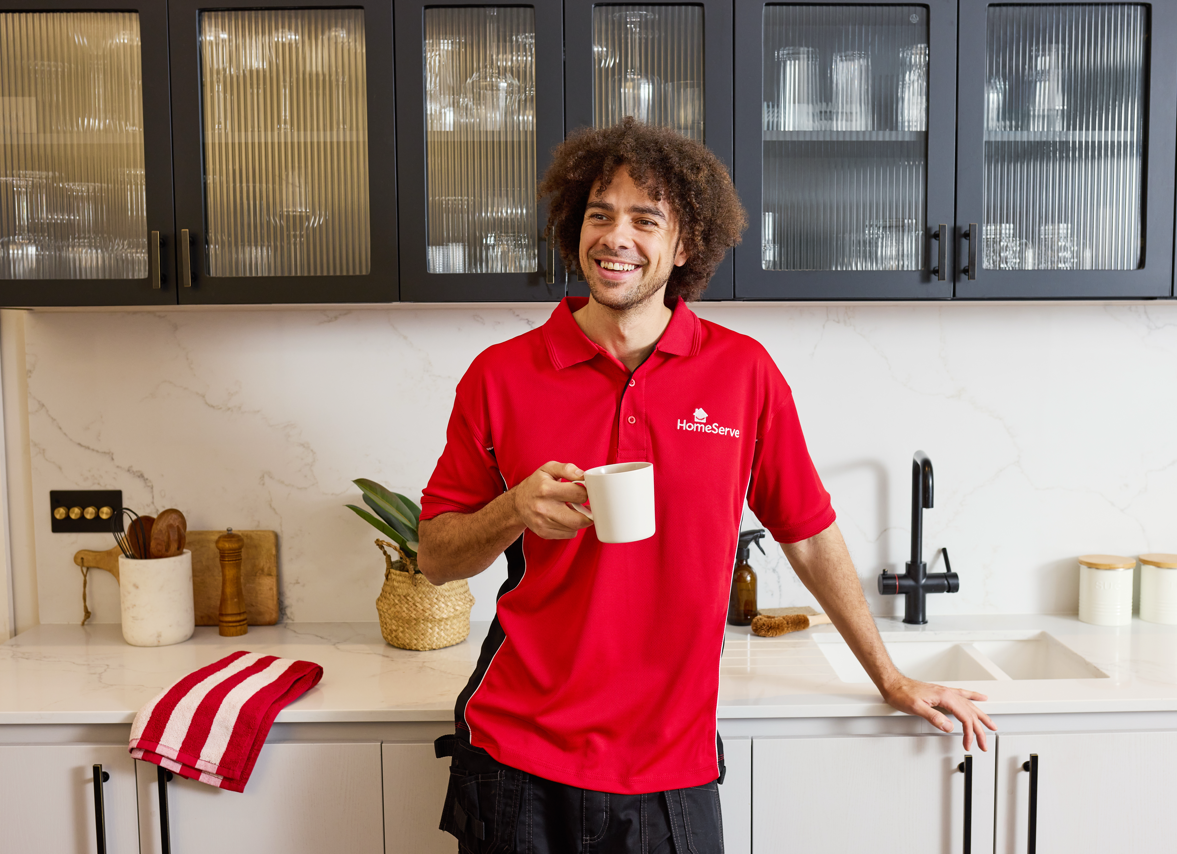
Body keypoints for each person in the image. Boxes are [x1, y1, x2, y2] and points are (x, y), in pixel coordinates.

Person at [418, 117, 996, 854]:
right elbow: (436, 556)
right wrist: (511, 509)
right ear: (574, 227)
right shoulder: (500, 376)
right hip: (517, 752)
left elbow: (809, 536)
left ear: (685, 245)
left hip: (670, 763)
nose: (614, 237)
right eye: (599, 214)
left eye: (644, 219)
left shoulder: (741, 374)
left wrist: (890, 677)